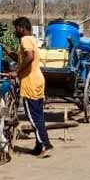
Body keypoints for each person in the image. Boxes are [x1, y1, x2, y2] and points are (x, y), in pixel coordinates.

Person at [13, 17, 52, 157]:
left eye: (16, 28)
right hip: (38, 80)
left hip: (31, 82)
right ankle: (38, 145)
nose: (15, 31)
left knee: (34, 117)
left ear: (22, 28)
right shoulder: (32, 39)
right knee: (38, 115)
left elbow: (29, 57)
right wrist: (10, 54)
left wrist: (16, 72)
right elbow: (26, 58)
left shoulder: (25, 40)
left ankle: (46, 145)